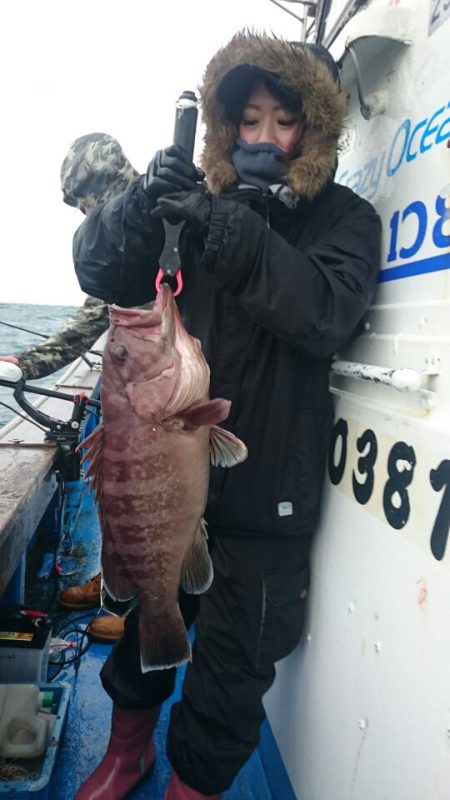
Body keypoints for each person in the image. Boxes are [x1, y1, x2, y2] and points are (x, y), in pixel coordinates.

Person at [71, 31, 382, 800]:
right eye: (250, 119)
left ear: (313, 125)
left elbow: (324, 312)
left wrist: (227, 228)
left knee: (231, 680)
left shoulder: (343, 221)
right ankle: (125, 754)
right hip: (171, 480)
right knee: (146, 630)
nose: (267, 136)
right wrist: (143, 208)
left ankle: (191, 789)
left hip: (267, 502)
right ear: (225, 126)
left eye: (285, 119)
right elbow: (100, 267)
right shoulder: (188, 211)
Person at [0, 131, 139, 642]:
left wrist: (28, 363)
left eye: (90, 202)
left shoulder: (153, 228)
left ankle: (141, 606)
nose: (87, 215)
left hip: (159, 398)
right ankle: (116, 584)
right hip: (122, 387)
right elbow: (94, 316)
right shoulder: (117, 245)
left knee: (146, 496)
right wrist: (26, 362)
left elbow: (89, 322)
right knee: (113, 491)